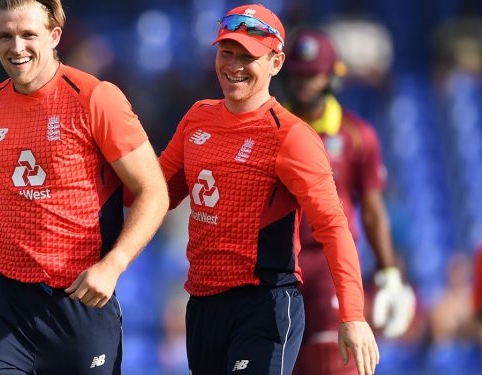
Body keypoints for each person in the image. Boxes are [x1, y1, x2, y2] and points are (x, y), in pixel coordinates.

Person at [0, 1, 169, 374]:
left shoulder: (96, 99)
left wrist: (113, 266)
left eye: (29, 34)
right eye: (5, 36)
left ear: (54, 35)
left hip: (78, 302)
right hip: (0, 302)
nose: (17, 47)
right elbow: (11, 206)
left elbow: (153, 191)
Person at [156, 4, 379, 375]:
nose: (234, 66)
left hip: (263, 304)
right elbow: (154, 194)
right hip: (202, 305)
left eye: (249, 56)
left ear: (276, 62)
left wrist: (353, 316)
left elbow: (333, 226)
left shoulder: (291, 136)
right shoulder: (196, 118)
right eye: (227, 52)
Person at [280, 28, 417, 375]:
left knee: (336, 358)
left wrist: (389, 273)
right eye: (297, 74)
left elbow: (372, 210)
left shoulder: (357, 135)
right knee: (284, 361)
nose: (303, 83)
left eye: (312, 75)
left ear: (332, 76)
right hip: (281, 262)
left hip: (332, 263)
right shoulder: (272, 128)